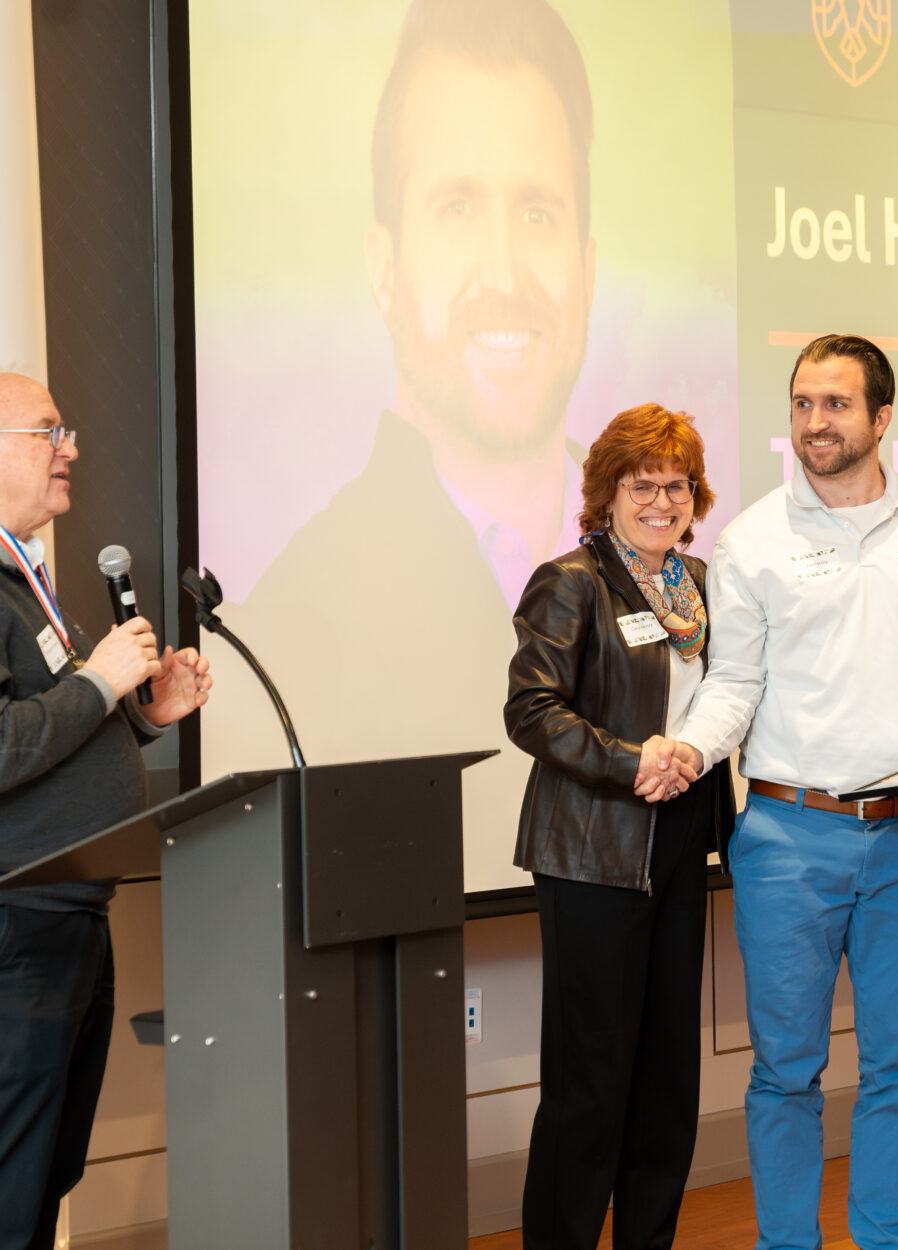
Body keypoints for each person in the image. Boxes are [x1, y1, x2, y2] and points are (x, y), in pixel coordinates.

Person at [200, 0, 599, 877]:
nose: (504, 272)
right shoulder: (296, 626)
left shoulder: (673, 564)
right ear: (385, 272)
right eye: (457, 207)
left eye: (537, 213)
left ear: (588, 264)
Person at [665, 335, 898, 1250]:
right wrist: (689, 749)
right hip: (789, 838)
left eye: (837, 404)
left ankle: (888, 1238)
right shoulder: (751, 540)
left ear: (881, 418)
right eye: (803, 403)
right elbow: (733, 682)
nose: (816, 422)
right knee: (784, 1072)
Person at [504, 403, 735, 1250]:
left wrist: (687, 762)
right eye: (643, 485)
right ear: (606, 492)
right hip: (593, 849)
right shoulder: (571, 581)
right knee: (590, 1085)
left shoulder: (700, 582)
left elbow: (725, 697)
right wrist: (632, 759)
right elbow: (531, 710)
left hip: (680, 837)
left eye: (677, 486)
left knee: (667, 1077)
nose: (661, 502)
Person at [0, 373, 212, 1249]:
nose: (73, 449)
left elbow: (59, 736)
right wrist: (98, 682)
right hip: (18, 930)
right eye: (51, 431)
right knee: (12, 1183)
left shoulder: (27, 581)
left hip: (72, 916)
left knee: (48, 1172)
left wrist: (146, 714)